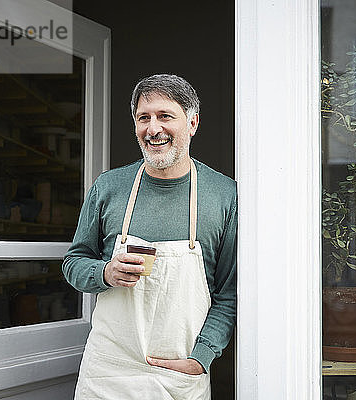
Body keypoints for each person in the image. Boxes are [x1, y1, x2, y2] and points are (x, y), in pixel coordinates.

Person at [63, 74, 237, 400]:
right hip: (108, 370)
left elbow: (229, 293)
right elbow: (73, 263)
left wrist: (202, 358)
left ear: (193, 122)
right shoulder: (109, 186)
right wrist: (105, 272)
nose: (152, 128)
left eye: (165, 116)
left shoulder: (224, 195)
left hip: (179, 373)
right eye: (144, 118)